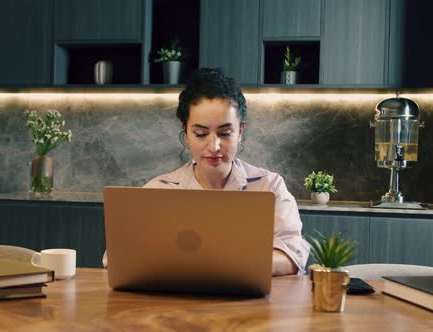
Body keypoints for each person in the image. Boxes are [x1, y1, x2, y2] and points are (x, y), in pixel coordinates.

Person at [103, 68, 309, 276]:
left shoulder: (269, 186)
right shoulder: (158, 192)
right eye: (201, 134)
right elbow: (114, 257)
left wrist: (217, 265)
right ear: (185, 133)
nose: (214, 146)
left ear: (240, 132)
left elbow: (292, 256)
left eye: (225, 133)